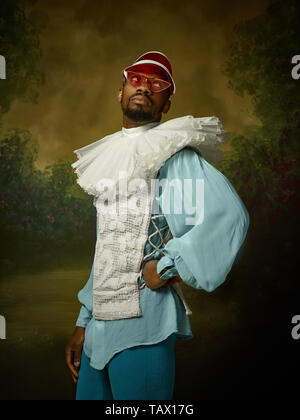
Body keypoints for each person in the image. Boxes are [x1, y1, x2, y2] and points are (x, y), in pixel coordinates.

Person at [65, 51, 250, 400]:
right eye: (136, 79)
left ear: (167, 104)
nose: (145, 87)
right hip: (96, 334)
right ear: (120, 93)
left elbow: (228, 217)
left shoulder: (174, 155)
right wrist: (82, 322)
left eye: (157, 84)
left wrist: (167, 267)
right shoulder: (111, 158)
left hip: (144, 329)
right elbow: (107, 248)